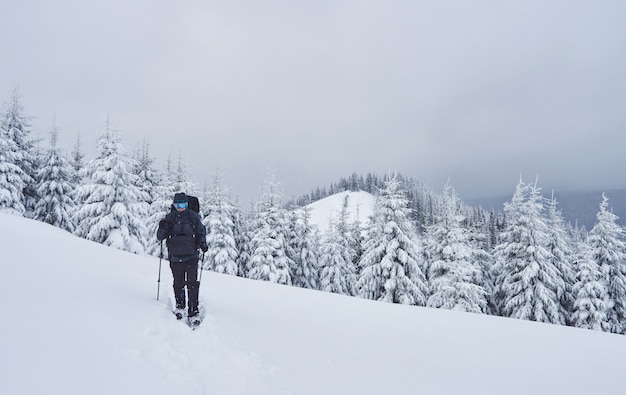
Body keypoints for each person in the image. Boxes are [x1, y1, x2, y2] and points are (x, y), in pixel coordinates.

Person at [157, 192, 208, 319]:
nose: (180, 207)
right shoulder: (170, 218)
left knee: (192, 284)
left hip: (191, 256)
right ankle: (180, 306)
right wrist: (162, 227)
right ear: (174, 205)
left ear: (187, 204)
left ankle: (193, 310)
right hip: (175, 256)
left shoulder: (193, 217)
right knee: (178, 283)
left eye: (183, 204)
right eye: (178, 204)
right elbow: (160, 237)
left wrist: (203, 244)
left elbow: (201, 232)